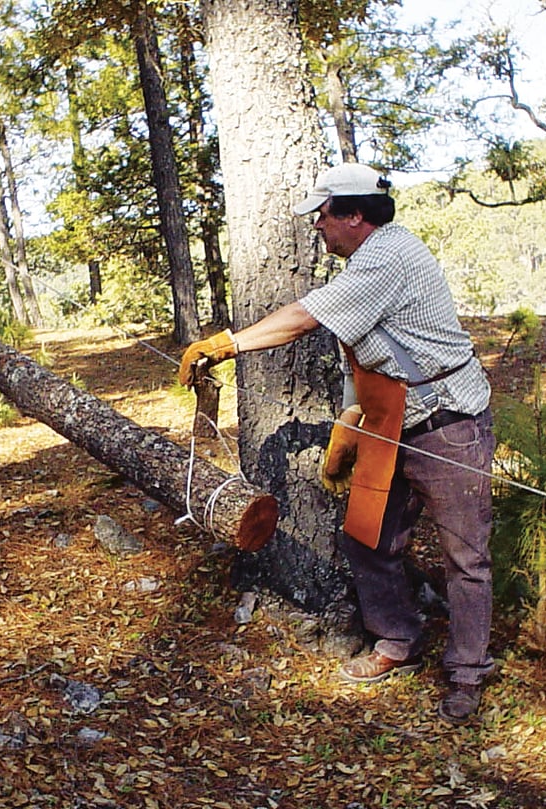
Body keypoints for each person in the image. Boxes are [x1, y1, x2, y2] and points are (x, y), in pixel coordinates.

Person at [178, 163, 495, 724]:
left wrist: (226, 345)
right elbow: (373, 347)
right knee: (365, 538)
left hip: (447, 424)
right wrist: (354, 420)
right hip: (391, 421)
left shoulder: (385, 257)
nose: (318, 226)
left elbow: (303, 319)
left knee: (466, 558)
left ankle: (466, 673)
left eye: (323, 215)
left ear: (353, 214)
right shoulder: (372, 257)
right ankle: (398, 639)